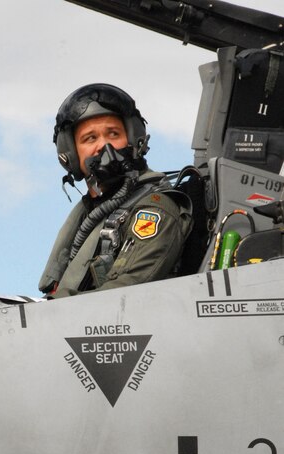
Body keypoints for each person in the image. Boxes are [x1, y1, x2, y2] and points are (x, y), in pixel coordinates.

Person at [38, 84, 193, 298]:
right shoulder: (89, 215)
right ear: (71, 154)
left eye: (113, 133)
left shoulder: (154, 209)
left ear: (132, 140)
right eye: (90, 138)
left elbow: (124, 293)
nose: (104, 146)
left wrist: (53, 310)